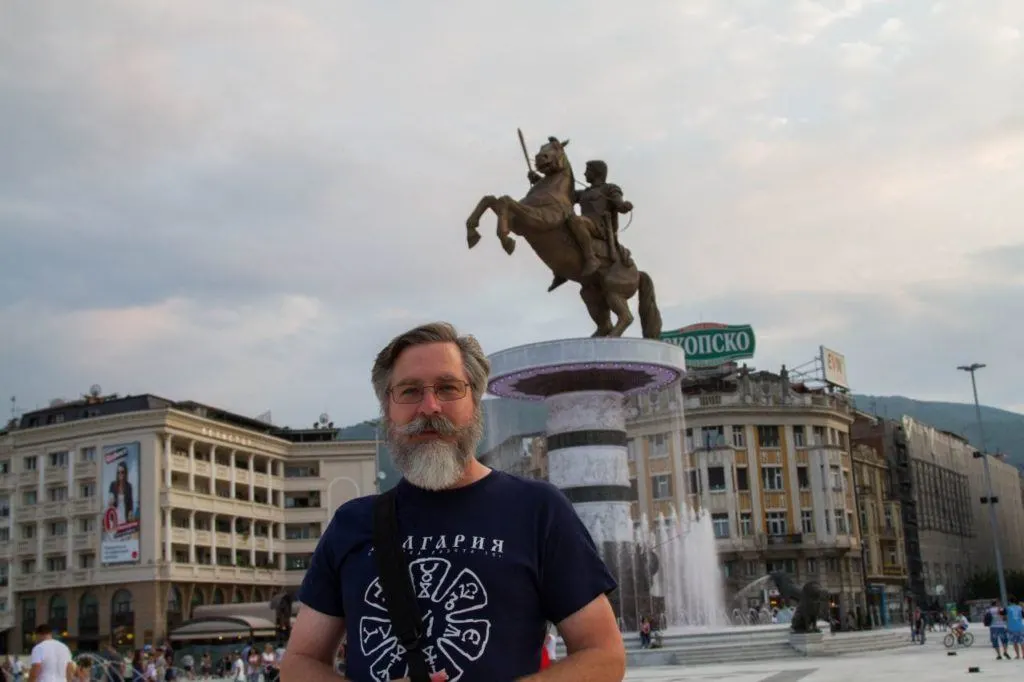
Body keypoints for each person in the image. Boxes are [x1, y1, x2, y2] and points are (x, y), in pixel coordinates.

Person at [281, 322, 626, 682]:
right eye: (410, 391)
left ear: (474, 403)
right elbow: (299, 663)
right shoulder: (352, 523)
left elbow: (604, 656)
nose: (430, 407)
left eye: (447, 388)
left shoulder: (537, 510)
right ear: (388, 410)